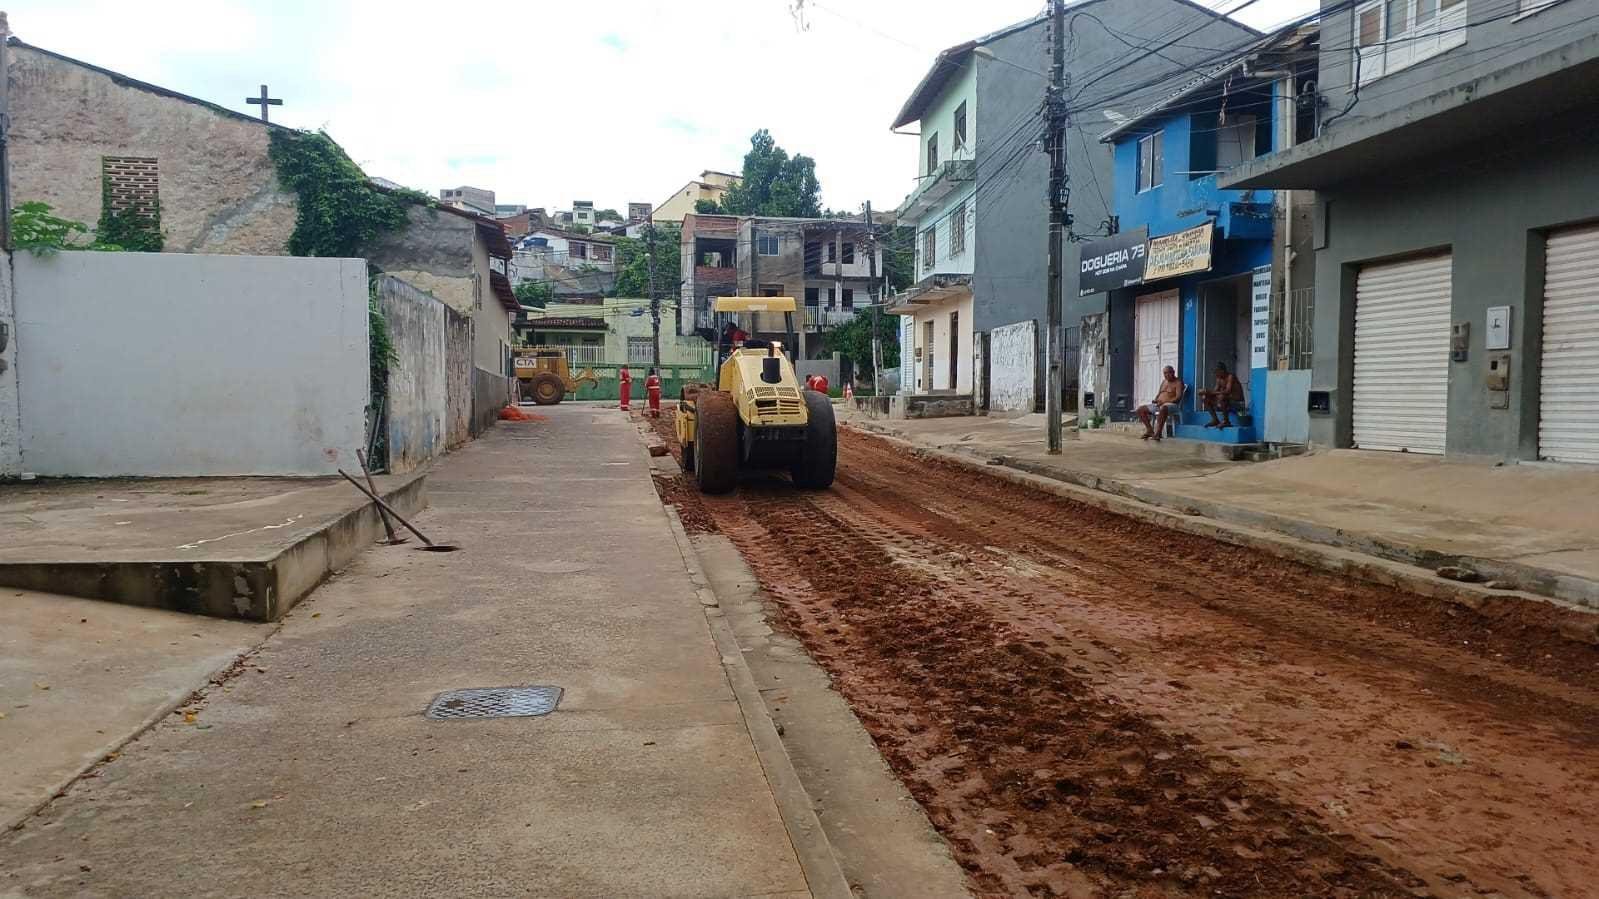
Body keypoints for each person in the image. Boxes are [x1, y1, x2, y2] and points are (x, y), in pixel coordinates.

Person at [1137, 365, 1184, 441]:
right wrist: (1156, 400)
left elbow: (1178, 397)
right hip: (1159, 404)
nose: (1166, 375)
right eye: (1165, 373)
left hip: (1171, 405)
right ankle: (1150, 430)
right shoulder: (1164, 382)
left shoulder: (1178, 382)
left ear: (1173, 372)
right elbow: (1159, 393)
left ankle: (1158, 433)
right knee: (1140, 409)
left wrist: (1164, 402)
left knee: (1163, 408)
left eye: (1168, 373)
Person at [1199, 362, 1245, 428]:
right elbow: (1214, 392)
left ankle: (1226, 421)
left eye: (1217, 372)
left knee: (1222, 396)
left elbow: (1227, 391)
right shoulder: (1219, 379)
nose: (1215, 374)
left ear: (1222, 371)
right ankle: (1215, 420)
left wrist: (1209, 392)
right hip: (1227, 403)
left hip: (1238, 403)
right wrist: (1205, 393)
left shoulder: (1230, 376)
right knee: (1205, 398)